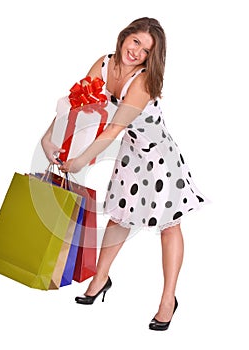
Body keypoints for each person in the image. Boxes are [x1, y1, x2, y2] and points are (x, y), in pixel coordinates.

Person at [41, 17, 208, 331]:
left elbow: (115, 126)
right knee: (118, 216)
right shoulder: (104, 64)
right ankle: (100, 279)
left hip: (159, 157)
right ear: (124, 37)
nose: (137, 52)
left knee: (169, 226)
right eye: (136, 42)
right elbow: (77, 105)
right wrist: (48, 139)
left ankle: (168, 300)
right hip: (131, 152)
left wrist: (78, 161)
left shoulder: (143, 81)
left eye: (146, 51)